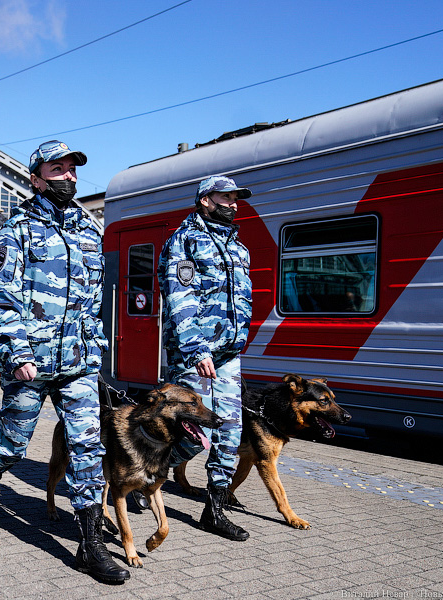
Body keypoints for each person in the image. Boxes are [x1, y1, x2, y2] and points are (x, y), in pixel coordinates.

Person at [0, 140, 129, 584]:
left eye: (72, 169)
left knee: (88, 449)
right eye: (57, 169)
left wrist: (95, 349)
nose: (69, 176)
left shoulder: (87, 229)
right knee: (13, 444)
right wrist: (16, 352)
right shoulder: (17, 229)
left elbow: (94, 301)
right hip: (30, 363)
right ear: (36, 177)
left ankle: (90, 545)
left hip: (77, 364)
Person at [158, 175, 253, 542]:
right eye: (225, 197)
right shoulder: (184, 241)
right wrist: (196, 348)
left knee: (229, 431)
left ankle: (214, 510)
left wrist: (238, 338)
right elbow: (181, 298)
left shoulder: (238, 247)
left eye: (235, 198)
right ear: (205, 201)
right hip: (194, 353)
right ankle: (143, 475)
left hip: (227, 354)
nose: (233, 203)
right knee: (194, 434)